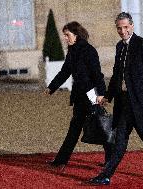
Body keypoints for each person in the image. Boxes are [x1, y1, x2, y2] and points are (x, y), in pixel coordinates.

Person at [88, 12, 143, 185]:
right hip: (124, 102)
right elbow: (116, 76)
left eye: (126, 27)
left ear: (132, 26)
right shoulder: (119, 47)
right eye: (119, 28)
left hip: (141, 102)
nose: (123, 31)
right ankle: (107, 174)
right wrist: (107, 97)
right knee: (120, 139)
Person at [44, 21, 112, 171]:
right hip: (79, 97)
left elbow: (97, 75)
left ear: (76, 34)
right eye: (64, 35)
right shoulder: (72, 51)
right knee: (74, 128)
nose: (65, 38)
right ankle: (61, 160)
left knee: (102, 127)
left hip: (92, 96)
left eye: (67, 35)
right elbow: (64, 72)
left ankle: (111, 160)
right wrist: (52, 87)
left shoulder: (89, 51)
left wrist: (101, 94)